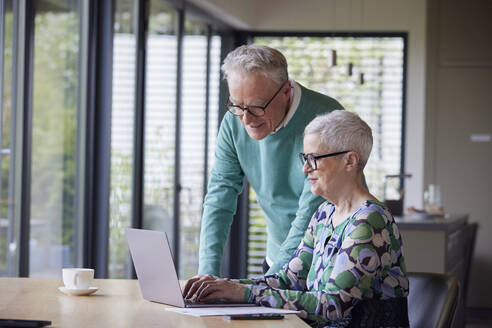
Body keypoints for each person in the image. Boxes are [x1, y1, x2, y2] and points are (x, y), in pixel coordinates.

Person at [185, 110, 409, 327]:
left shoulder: (370, 220)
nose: (304, 169)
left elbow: (331, 305)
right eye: (304, 158)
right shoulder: (324, 213)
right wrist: (223, 286)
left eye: (313, 159)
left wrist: (241, 292)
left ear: (349, 161)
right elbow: (287, 280)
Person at [199, 44, 344, 276]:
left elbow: (308, 215)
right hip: (276, 258)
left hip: (325, 264)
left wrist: (265, 287)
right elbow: (219, 197)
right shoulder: (233, 122)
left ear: (286, 91)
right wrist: (206, 274)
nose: (246, 119)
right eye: (237, 105)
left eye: (256, 106)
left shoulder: (326, 120)